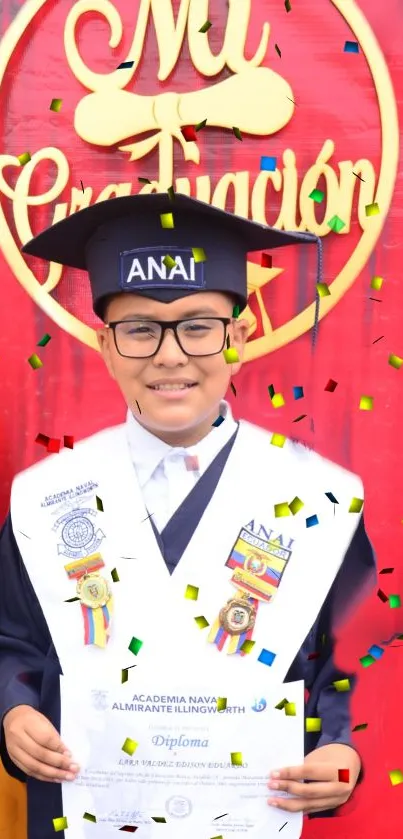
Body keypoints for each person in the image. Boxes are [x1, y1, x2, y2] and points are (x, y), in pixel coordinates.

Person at [0, 194, 376, 839]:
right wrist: (11, 711)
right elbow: (12, 641)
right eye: (140, 329)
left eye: (198, 325)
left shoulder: (320, 498)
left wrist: (343, 749)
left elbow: (353, 657)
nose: (170, 356)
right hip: (81, 816)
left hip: (256, 816)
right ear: (105, 345)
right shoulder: (45, 496)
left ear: (240, 335)